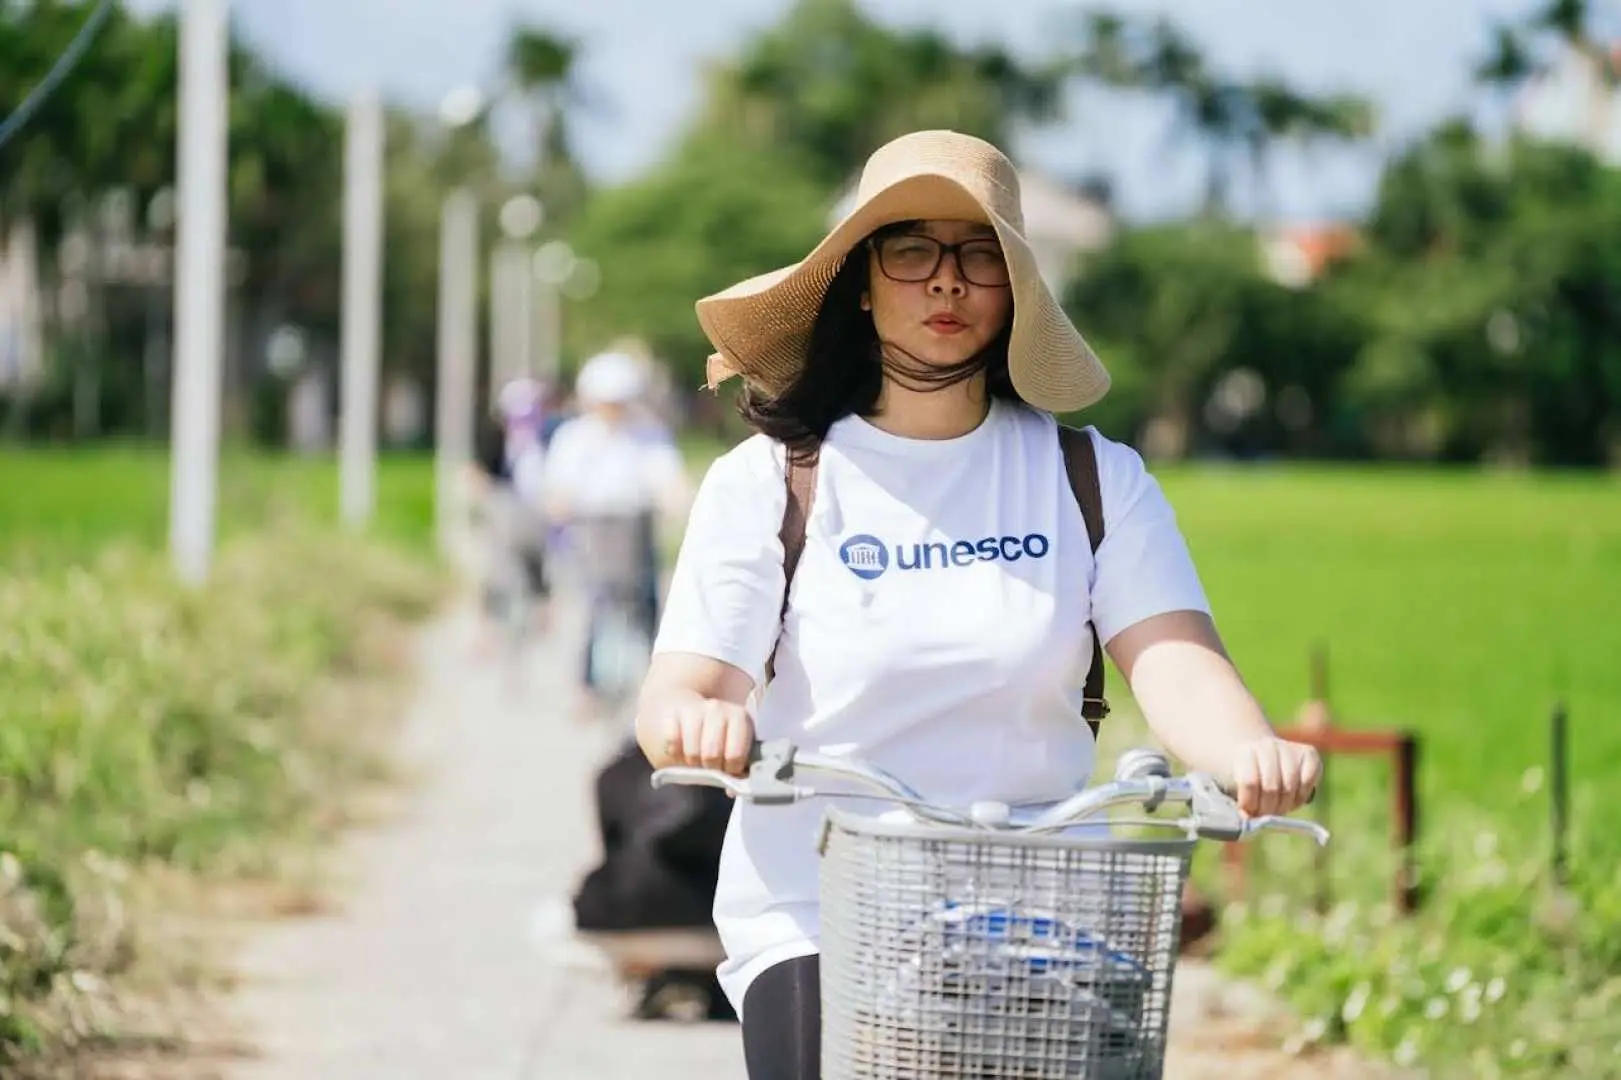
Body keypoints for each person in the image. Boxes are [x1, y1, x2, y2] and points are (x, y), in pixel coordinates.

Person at [633, 130, 1325, 1079]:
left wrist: (1247, 750)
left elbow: (1174, 660)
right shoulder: (771, 484)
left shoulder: (1091, 478)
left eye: (978, 256)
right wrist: (695, 721)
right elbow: (690, 681)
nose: (945, 283)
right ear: (862, 280)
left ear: (1014, 291)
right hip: (822, 901)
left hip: (1039, 907)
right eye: (910, 250)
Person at [544, 351, 690, 716]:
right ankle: (586, 686)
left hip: (635, 525)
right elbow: (559, 488)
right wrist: (560, 504)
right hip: (592, 527)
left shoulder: (648, 434)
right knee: (593, 604)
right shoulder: (575, 436)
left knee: (647, 600)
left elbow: (667, 478)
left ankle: (656, 684)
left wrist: (679, 500)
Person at [468, 377, 553, 640]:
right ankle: (487, 626)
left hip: (535, 509)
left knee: (536, 562)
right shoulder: (494, 437)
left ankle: (543, 613)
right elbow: (479, 471)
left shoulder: (547, 437)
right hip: (503, 506)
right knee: (495, 568)